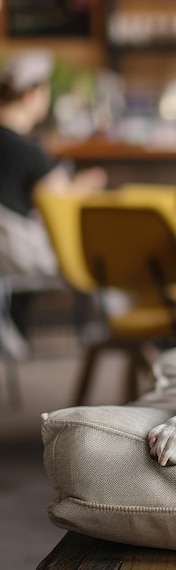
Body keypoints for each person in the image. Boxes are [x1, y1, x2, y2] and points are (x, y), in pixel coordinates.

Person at [0, 49, 107, 351]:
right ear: (33, 95)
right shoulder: (28, 152)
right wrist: (84, 186)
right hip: (18, 252)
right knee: (104, 251)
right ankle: (120, 329)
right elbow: (58, 204)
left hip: (7, 250)